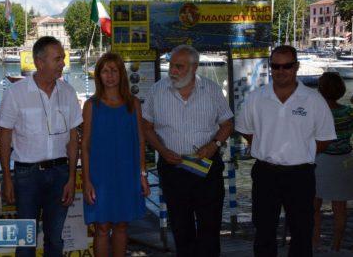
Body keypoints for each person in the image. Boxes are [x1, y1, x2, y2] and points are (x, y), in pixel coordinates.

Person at [235, 45, 336, 257]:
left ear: (296, 67)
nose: (281, 71)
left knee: (301, 232)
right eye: (275, 66)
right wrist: (267, 147)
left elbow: (325, 138)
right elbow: (246, 131)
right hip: (265, 173)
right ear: (270, 67)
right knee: (263, 232)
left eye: (287, 66)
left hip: (300, 175)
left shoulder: (314, 100)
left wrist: (299, 151)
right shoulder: (256, 98)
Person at [142, 44, 234, 257]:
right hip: (173, 168)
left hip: (207, 168)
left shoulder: (211, 89)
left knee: (210, 229)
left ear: (194, 68)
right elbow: (146, 127)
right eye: (171, 65)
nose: (172, 71)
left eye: (179, 67)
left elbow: (227, 123)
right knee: (181, 230)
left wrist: (214, 145)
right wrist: (162, 151)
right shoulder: (157, 91)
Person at [0, 36, 82, 257]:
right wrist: (7, 178)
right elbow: (4, 138)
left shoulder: (68, 92)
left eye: (63, 58)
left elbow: (73, 139)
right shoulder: (16, 93)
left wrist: (72, 178)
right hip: (26, 176)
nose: (63, 63)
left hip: (61, 174)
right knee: (26, 241)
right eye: (58, 59)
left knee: (55, 238)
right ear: (39, 62)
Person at [81, 53, 150, 257]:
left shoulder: (133, 104)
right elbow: (84, 145)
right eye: (105, 71)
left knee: (121, 226)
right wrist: (86, 181)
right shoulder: (91, 105)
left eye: (114, 70)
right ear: (98, 75)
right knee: (102, 228)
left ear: (121, 74)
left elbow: (140, 140)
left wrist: (143, 175)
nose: (109, 75)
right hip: (100, 177)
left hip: (126, 175)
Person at [313, 72, 353, 252]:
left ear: (321, 90)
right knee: (340, 208)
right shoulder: (348, 112)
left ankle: (314, 243)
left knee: (314, 206)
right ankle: (335, 247)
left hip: (321, 161)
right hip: (345, 161)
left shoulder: (316, 114)